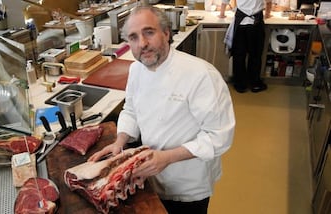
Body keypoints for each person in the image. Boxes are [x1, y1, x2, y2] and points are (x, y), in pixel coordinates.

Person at [88, 6, 235, 214]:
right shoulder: (136, 69)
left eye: (149, 32)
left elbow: (219, 136)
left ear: (166, 33)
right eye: (133, 37)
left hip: (187, 183)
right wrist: (119, 142)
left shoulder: (201, 75)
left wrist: (167, 157)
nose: (143, 44)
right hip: (149, 175)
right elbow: (131, 109)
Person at [219, 0, 272, 93]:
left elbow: (225, 1)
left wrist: (222, 14)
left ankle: (240, 85)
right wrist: (267, 13)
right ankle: (254, 84)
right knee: (255, 55)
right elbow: (268, 2)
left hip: (240, 23)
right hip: (255, 23)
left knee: (239, 55)